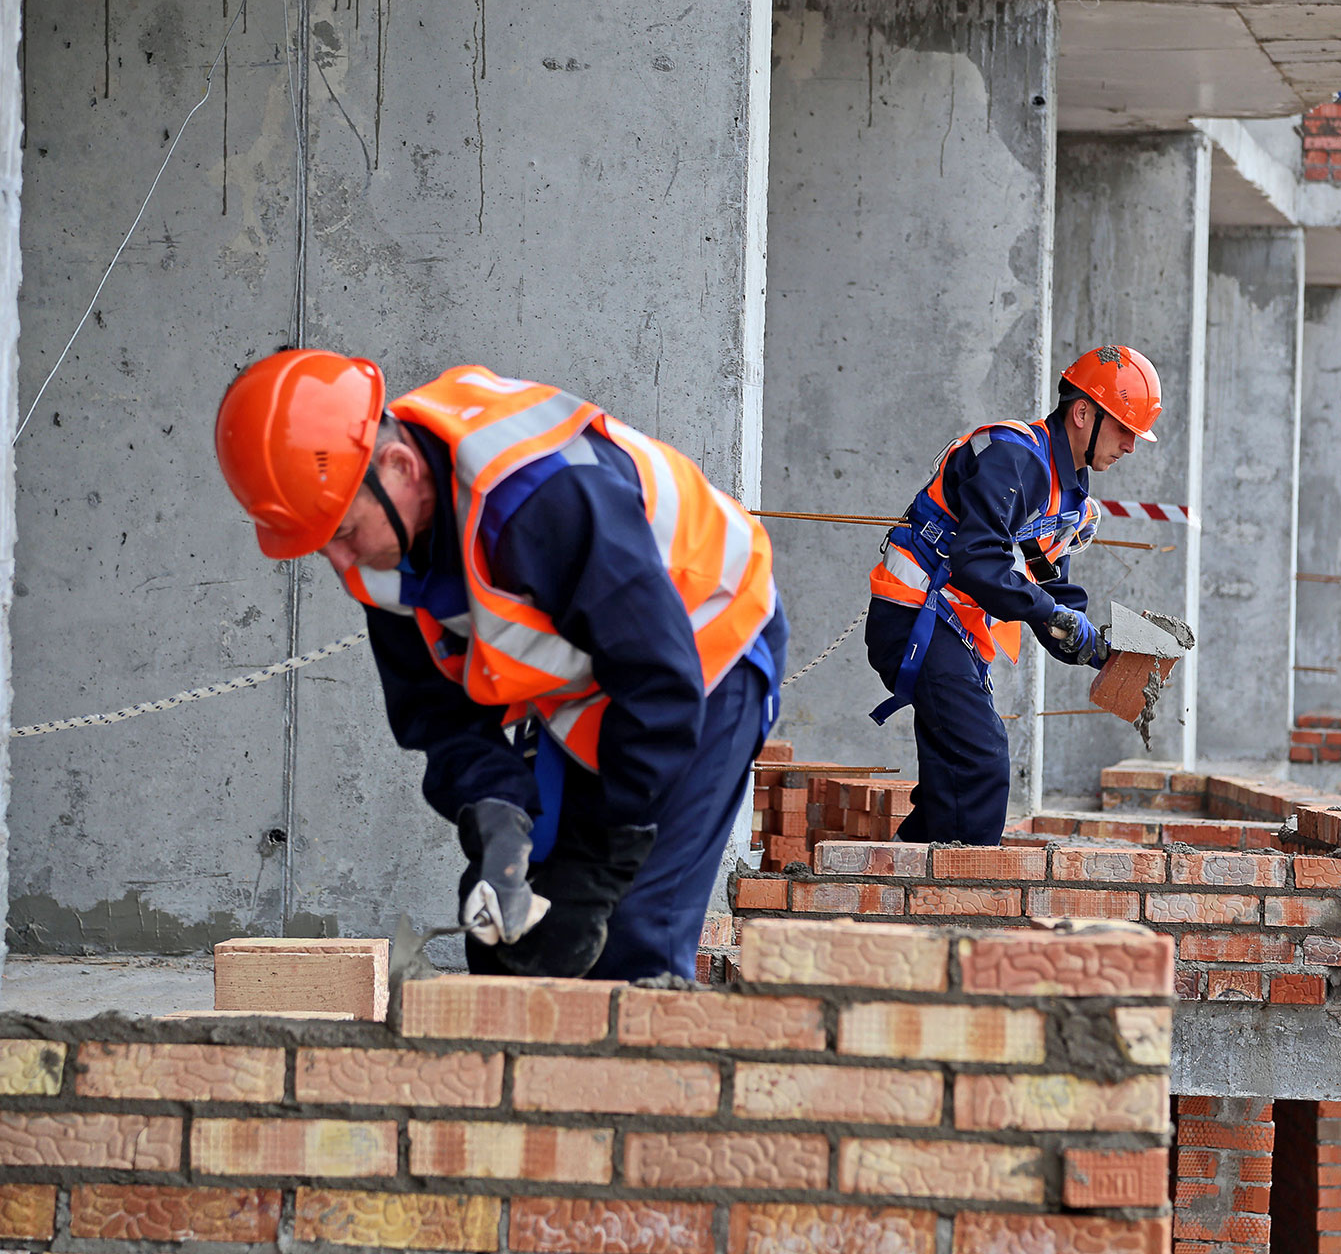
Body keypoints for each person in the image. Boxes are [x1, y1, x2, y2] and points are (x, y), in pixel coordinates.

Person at [215, 351, 786, 980]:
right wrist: (498, 824)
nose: (342, 560)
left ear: (398, 466)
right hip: (588, 686)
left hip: (705, 655)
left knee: (629, 935)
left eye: (345, 532)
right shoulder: (382, 558)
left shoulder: (536, 497)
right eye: (321, 544)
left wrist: (597, 867)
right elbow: (440, 717)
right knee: (511, 946)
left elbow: (657, 682)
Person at [867, 345, 1162, 845]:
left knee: (952, 788)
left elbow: (1048, 588)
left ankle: (898, 886)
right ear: (1083, 412)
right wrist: (1054, 615)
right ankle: (958, 902)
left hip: (953, 630)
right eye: (1124, 430)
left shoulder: (1071, 498)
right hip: (915, 615)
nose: (1131, 447)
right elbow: (980, 562)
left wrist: (1103, 650)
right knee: (981, 760)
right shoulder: (1013, 455)